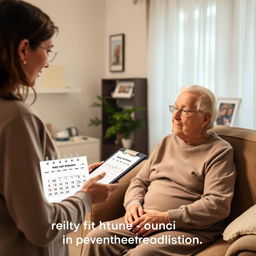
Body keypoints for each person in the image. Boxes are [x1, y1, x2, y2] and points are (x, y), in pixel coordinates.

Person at [0, 1, 118, 255]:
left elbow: (15, 185)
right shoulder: (16, 118)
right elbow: (42, 228)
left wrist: (73, 179)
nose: (47, 63)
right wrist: (86, 197)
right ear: (23, 49)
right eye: (47, 50)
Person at [83, 85, 236, 256]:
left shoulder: (220, 151)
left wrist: (166, 218)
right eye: (175, 108)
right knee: (96, 237)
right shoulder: (166, 142)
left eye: (185, 111)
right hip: (144, 220)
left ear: (205, 119)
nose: (175, 116)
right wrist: (133, 204)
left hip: (188, 229)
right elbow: (139, 181)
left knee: (141, 254)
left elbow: (217, 204)